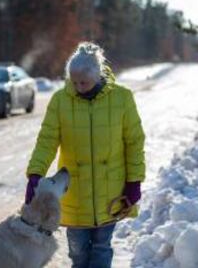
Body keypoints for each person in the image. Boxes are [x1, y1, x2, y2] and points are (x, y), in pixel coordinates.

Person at [24, 41, 146, 268]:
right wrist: (35, 173)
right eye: (74, 81)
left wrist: (134, 182)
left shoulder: (122, 98)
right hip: (75, 194)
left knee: (101, 248)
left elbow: (134, 142)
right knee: (78, 252)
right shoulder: (60, 101)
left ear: (98, 75)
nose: (78, 86)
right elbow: (47, 141)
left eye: (84, 82)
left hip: (110, 192)